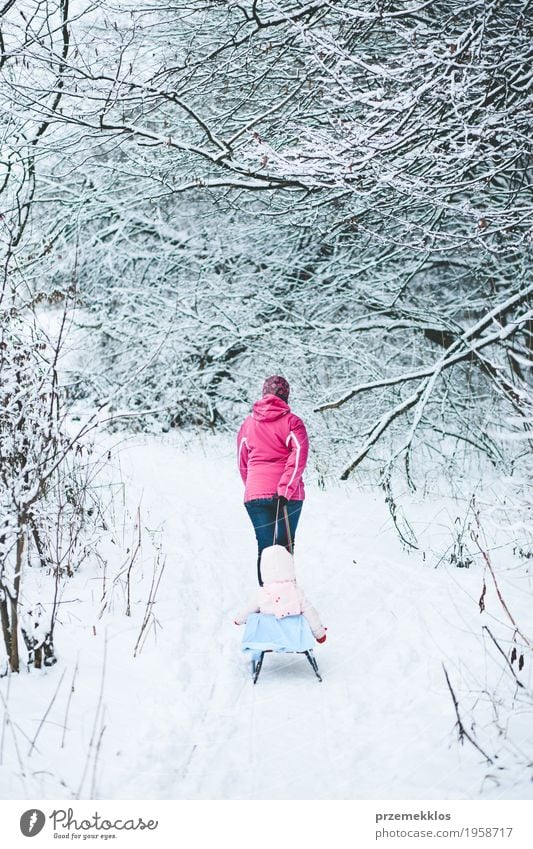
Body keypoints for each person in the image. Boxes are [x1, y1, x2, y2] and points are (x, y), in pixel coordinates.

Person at [237, 375, 309, 586]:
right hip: (289, 495)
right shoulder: (292, 422)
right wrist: (285, 489)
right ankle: (286, 597)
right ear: (286, 396)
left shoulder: (247, 425)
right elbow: (299, 457)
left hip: (255, 494)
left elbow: (242, 461)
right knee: (284, 548)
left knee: (265, 548)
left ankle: (267, 597)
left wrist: (253, 487)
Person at [234, 544, 326, 643]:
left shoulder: (262, 592)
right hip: (294, 637)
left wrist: (239, 620)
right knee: (304, 613)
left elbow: (249, 609)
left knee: (257, 617)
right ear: (290, 567)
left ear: (264, 569)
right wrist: (319, 634)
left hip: (268, 637)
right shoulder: (296, 592)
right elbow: (310, 613)